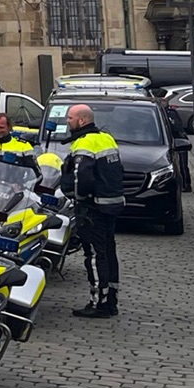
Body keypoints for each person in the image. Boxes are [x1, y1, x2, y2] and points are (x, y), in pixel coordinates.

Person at [61, 104, 124, 318]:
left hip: (92, 208)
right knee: (108, 251)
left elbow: (82, 179)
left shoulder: (85, 144)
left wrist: (77, 199)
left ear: (81, 121)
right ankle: (111, 299)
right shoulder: (106, 138)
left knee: (95, 255)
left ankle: (99, 302)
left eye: (70, 117)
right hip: (110, 205)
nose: (67, 121)